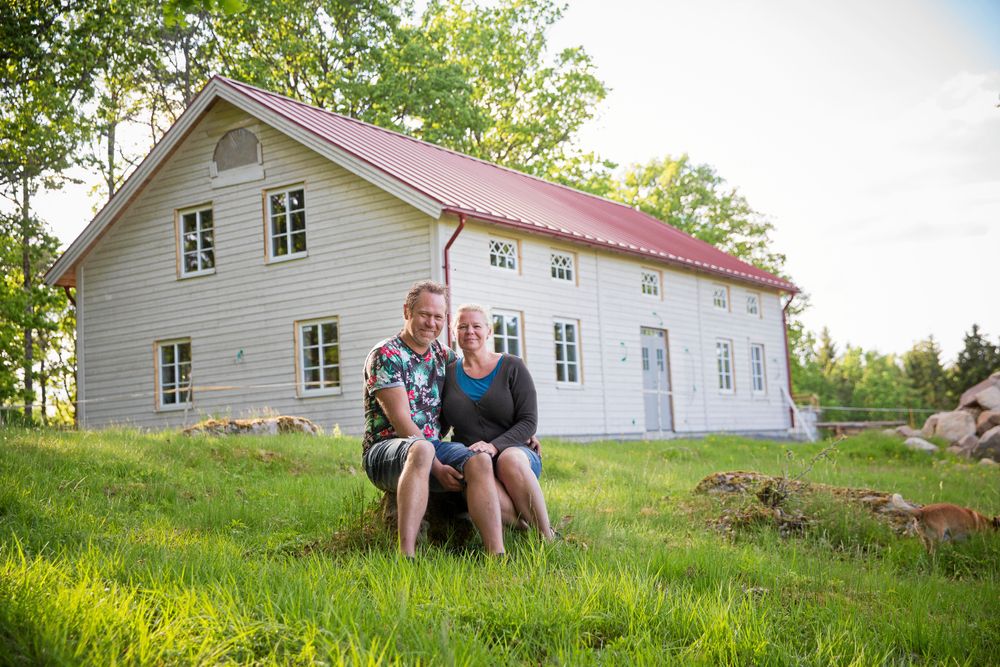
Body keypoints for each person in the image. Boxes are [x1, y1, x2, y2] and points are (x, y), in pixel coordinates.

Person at [362, 281, 505, 557]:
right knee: (423, 447)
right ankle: (407, 554)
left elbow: (477, 400)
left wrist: (518, 430)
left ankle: (496, 553)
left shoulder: (445, 356)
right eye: (424, 314)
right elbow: (402, 421)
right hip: (385, 452)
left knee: (478, 459)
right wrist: (437, 468)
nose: (431, 323)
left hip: (430, 449)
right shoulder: (386, 354)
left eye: (438, 317)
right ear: (407, 311)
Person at [441, 304, 555, 540]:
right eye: (462, 326)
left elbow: (528, 421)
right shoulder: (448, 375)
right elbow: (440, 422)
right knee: (481, 473)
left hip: (518, 454)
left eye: (476, 326)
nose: (469, 331)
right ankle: (526, 531)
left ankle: (548, 537)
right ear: (453, 333)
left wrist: (495, 446)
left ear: (489, 331)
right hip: (473, 459)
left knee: (509, 460)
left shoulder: (513, 366)